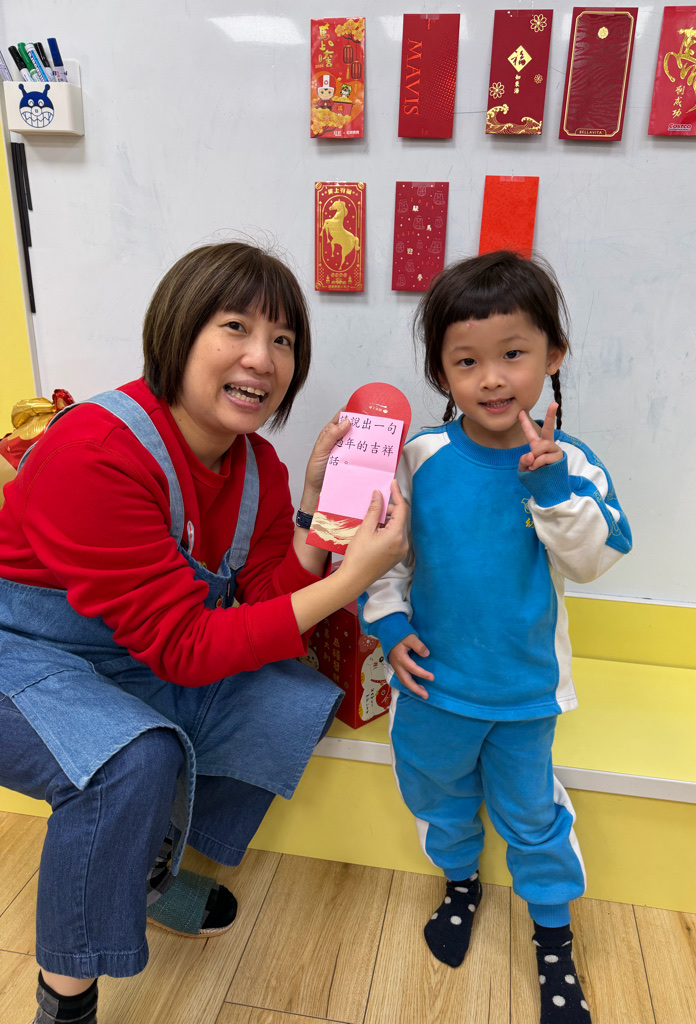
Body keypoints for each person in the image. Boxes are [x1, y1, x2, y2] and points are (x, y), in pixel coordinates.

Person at [0, 241, 408, 1024]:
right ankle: (65, 1003)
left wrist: (315, 519)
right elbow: (188, 648)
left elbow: (263, 606)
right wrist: (350, 581)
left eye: (283, 339)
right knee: (130, 760)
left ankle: (148, 871)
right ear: (178, 333)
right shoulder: (95, 450)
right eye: (236, 327)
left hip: (125, 654)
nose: (263, 358)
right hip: (19, 654)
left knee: (287, 696)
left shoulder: (259, 468)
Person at [359, 251, 632, 1024]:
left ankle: (553, 938)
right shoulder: (420, 458)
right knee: (437, 798)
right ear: (441, 373)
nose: (492, 379)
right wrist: (390, 624)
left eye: (513, 354)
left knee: (533, 816)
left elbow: (596, 558)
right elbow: (383, 558)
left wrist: (550, 492)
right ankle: (461, 885)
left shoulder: (570, 464)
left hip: (524, 693)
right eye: (466, 361)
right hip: (432, 687)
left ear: (553, 355)